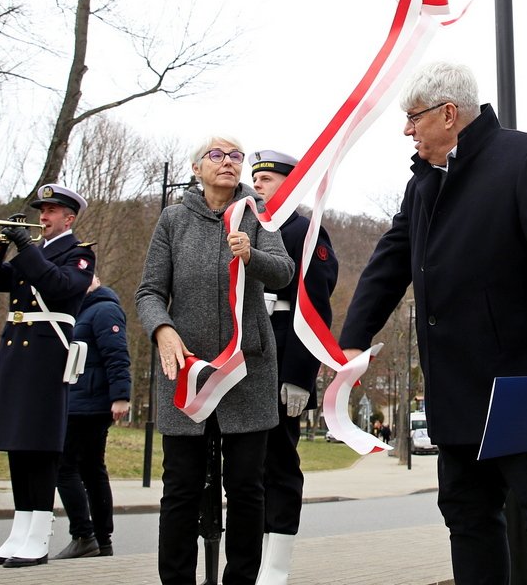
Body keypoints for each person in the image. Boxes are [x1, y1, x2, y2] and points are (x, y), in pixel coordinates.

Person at [338, 61, 527, 584]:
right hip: (456, 391)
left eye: (413, 118)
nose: (406, 130)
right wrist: (350, 343)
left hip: (525, 386)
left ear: (449, 114)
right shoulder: (422, 186)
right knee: (467, 518)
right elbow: (389, 264)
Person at [137, 137, 294, 585]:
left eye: (235, 157)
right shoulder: (172, 220)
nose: (228, 163)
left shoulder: (257, 214)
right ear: (196, 168)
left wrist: (253, 254)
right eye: (217, 155)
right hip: (186, 373)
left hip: (247, 373)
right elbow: (149, 291)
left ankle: (240, 579)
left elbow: (284, 273)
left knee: (246, 489)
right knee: (181, 488)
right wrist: (162, 330)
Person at [0, 183, 96, 568]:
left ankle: (39, 536)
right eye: (41, 210)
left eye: (51, 211)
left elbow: (58, 287)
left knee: (40, 445)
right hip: (16, 351)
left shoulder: (79, 255)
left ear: (69, 217)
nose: (43, 216)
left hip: (47, 352)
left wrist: (26, 249)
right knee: (18, 444)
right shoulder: (35, 253)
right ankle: (19, 531)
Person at [248, 148, 339, 585]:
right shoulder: (245, 227)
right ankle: (250, 558)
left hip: (283, 357)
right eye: (256, 178)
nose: (258, 184)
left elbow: (315, 307)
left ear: (291, 183)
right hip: (242, 358)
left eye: (267, 178)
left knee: (278, 462)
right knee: (246, 464)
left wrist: (300, 376)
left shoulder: (306, 230)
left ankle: (277, 562)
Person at [51, 274, 132, 560]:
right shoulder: (81, 309)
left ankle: (84, 535)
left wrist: (121, 396)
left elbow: (117, 354)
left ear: (92, 279)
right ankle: (101, 541)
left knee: (66, 467)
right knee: (91, 469)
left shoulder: (105, 309)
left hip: (90, 403)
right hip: (79, 399)